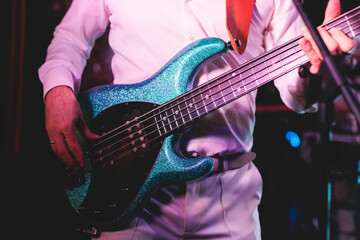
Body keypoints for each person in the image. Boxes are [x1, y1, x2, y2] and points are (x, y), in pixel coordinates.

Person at [38, 0, 355, 239]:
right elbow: (71, 37)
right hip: (131, 185)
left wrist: (314, 71)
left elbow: (295, 91)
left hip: (229, 193)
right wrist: (57, 90)